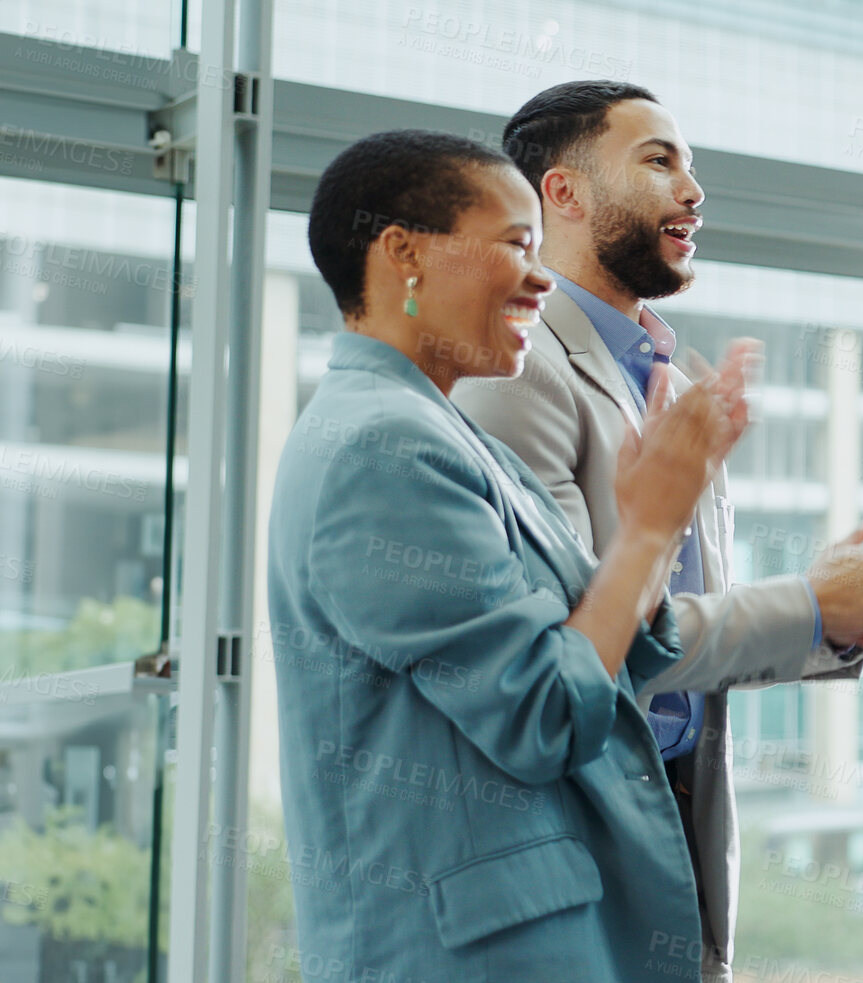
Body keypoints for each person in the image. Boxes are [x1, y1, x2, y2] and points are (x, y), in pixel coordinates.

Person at [269, 129, 807, 982]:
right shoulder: (383, 448)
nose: (541, 276)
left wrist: (824, 607)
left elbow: (610, 637)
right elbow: (546, 711)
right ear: (401, 253)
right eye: (516, 245)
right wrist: (647, 528)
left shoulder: (436, 430)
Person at [452, 81, 863, 982]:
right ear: (561, 193)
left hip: (680, 816)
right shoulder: (517, 373)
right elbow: (589, 639)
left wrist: (831, 614)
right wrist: (811, 606)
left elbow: (683, 623)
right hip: (573, 831)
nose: (694, 190)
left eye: (691, 166)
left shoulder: (674, 386)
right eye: (659, 161)